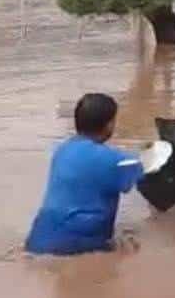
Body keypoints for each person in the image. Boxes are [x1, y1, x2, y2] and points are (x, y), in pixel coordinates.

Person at [25, 93, 144, 255]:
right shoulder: (113, 160)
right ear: (109, 125)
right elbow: (146, 171)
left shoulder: (61, 150)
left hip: (37, 239)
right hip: (79, 245)